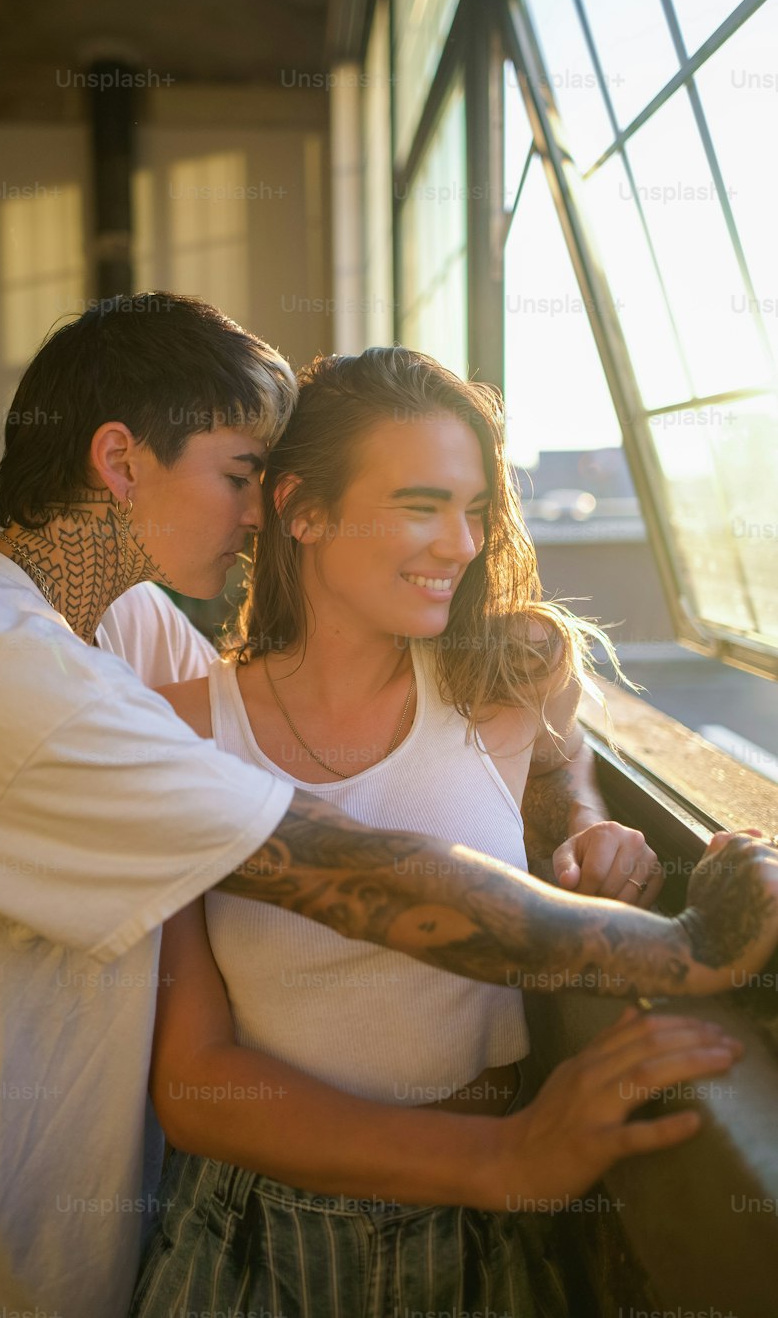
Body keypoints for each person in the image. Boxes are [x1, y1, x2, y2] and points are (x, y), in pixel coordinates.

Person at [0, 297, 773, 1318]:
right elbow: (348, 875)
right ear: (120, 463)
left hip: (17, 1219)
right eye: (239, 477)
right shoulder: (11, 679)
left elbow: (467, 748)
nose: (256, 514)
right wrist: (686, 948)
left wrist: (564, 812)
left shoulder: (121, 627)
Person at [130, 346, 773, 1318]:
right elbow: (193, 1082)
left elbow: (560, 781)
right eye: (422, 505)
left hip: (483, 1242)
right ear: (301, 509)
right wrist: (501, 1160)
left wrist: (591, 835)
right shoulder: (176, 727)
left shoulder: (509, 673)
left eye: (474, 511)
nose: (462, 544)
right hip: (258, 1243)